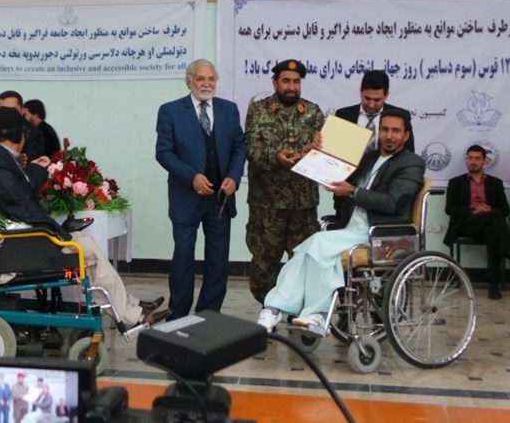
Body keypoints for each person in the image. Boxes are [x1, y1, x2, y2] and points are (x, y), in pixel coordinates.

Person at [0, 107, 169, 330]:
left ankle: (131, 309)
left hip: (17, 243)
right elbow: (22, 206)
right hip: (13, 250)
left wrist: (33, 171)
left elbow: (18, 196)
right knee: (84, 247)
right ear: (17, 135)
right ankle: (130, 314)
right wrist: (59, 233)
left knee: (85, 244)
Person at [257, 109, 424, 333]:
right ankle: (281, 309)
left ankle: (302, 311)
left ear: (406, 135)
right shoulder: (370, 157)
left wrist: (354, 192)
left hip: (380, 232)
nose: (389, 135)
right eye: (385, 129)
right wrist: (317, 151)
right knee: (307, 252)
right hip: (352, 228)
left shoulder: (411, 163)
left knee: (318, 244)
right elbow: (336, 173)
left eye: (396, 131)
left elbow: (393, 202)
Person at [155, 59, 247, 318]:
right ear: (189, 82)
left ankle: (209, 314)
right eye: (200, 79)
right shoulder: (171, 111)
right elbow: (163, 153)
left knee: (218, 260)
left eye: (211, 79)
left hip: (220, 199)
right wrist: (191, 177)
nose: (207, 84)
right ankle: (179, 314)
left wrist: (234, 177)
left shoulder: (229, 110)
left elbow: (239, 147)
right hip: (186, 197)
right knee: (183, 256)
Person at [244, 59, 325, 305]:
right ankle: (268, 308)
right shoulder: (258, 110)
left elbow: (326, 153)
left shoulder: (313, 112)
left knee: (303, 261)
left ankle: (297, 312)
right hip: (266, 204)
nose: (291, 87)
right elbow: (250, 148)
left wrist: (314, 152)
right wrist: (276, 156)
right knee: (263, 264)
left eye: (296, 82)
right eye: (286, 81)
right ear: (275, 83)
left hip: (303, 204)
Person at [444, 145, 510, 300]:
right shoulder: (456, 182)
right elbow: (449, 209)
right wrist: (474, 210)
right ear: (466, 161)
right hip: (466, 224)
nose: (473, 162)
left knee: (492, 231)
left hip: (489, 224)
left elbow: (505, 210)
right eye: (470, 158)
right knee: (495, 217)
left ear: (485, 161)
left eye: (478, 158)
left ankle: (493, 284)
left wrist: (488, 210)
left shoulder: (495, 183)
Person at [334, 69, 415, 153]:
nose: (371, 105)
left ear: (386, 95)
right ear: (360, 92)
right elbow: (333, 150)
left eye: (377, 100)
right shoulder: (343, 115)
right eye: (367, 99)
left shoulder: (400, 117)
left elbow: (409, 154)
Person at [0, 90, 46, 160]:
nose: (8, 114)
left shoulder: (34, 133)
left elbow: (35, 158)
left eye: (13, 110)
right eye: (3, 110)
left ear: (22, 111)